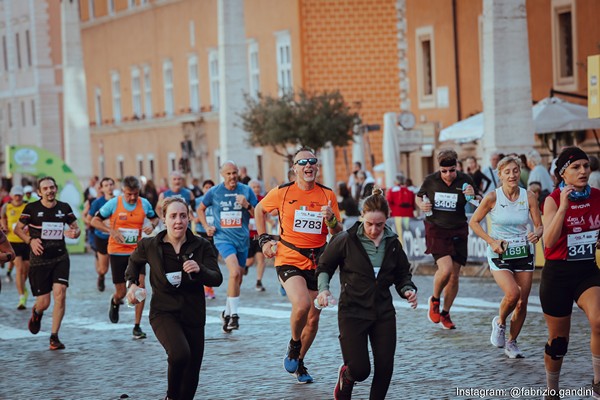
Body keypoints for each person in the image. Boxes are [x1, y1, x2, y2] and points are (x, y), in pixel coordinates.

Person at [316, 187, 418, 400]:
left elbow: (402, 274)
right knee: (361, 370)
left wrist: (407, 290)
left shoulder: (392, 244)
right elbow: (324, 266)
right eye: (369, 224)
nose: (373, 229)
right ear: (362, 217)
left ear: (387, 220)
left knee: (384, 366)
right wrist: (323, 290)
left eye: (379, 225)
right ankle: (347, 376)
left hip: (383, 312)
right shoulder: (346, 239)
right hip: (352, 311)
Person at [254, 147, 342, 384]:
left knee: (313, 319)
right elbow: (259, 209)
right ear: (294, 169)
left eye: (312, 162)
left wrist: (331, 219)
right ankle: (294, 344)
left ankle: (299, 361)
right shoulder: (283, 192)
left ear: (317, 167)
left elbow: (337, 231)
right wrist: (263, 240)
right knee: (302, 304)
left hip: (318, 260)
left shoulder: (327, 195)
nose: (308, 166)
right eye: (302, 162)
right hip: (289, 257)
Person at [125, 197, 222, 400]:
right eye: (173, 216)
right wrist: (132, 285)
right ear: (164, 219)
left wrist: (200, 269)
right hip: (164, 312)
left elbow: (217, 278)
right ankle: (170, 397)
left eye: (183, 216)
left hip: (193, 313)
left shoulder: (201, 245)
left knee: (192, 370)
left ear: (188, 219)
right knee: (180, 354)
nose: (178, 221)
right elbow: (133, 263)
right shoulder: (150, 245)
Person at [538, 147, 600, 400]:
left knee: (599, 321)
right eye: (576, 167)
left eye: (586, 166)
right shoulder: (552, 200)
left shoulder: (597, 196)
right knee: (558, 342)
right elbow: (549, 243)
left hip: (586, 271)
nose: (583, 171)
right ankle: (552, 392)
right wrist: (563, 207)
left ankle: (598, 382)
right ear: (563, 173)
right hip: (558, 275)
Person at [469, 155, 543, 359]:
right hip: (499, 251)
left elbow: (539, 225)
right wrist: (491, 241)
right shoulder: (493, 197)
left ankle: (512, 342)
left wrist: (536, 234)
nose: (512, 175)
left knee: (522, 302)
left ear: (520, 172)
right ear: (500, 175)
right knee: (512, 294)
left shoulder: (528, 197)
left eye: (515, 171)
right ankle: (500, 322)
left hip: (523, 252)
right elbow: (474, 222)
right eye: (507, 172)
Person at [14, 176, 80, 350]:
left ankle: (54, 337)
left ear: (56, 188)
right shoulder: (31, 209)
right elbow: (18, 229)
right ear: (39, 192)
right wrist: (30, 241)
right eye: (45, 188)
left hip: (60, 257)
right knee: (44, 303)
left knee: (61, 292)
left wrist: (76, 232)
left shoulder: (64, 208)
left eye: (52, 187)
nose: (50, 191)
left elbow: (76, 227)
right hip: (39, 260)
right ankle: (37, 313)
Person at [91, 176, 159, 339]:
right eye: (129, 194)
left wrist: (152, 225)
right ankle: (115, 301)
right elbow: (94, 221)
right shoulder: (114, 203)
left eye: (135, 194)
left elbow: (155, 217)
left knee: (140, 289)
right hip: (117, 251)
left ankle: (137, 326)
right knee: (121, 291)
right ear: (123, 192)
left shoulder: (144, 203)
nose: (133, 198)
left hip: (137, 251)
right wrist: (112, 231)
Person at [416, 148, 475, 330]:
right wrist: (422, 205)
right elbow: (418, 197)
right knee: (446, 269)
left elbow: (476, 201)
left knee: (454, 277)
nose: (448, 175)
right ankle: (434, 300)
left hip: (458, 228)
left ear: (456, 167)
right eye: (444, 171)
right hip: (436, 229)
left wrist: (473, 195)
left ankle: (445, 313)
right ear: (439, 169)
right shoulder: (430, 181)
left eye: (451, 170)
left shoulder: (465, 180)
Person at [197, 161, 258, 333]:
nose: (232, 177)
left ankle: (227, 312)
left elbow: (258, 213)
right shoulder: (214, 192)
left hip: (242, 240)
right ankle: (234, 316)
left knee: (238, 279)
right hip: (223, 239)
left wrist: (247, 205)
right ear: (222, 175)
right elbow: (200, 209)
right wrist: (207, 226)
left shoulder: (246, 190)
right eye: (228, 174)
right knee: (235, 272)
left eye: (234, 173)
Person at [1, 186, 30, 309]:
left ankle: (23, 287)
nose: (17, 197)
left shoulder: (28, 206)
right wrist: (4, 226)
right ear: (12, 196)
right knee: (19, 268)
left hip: (26, 240)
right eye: (15, 195)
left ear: (22, 195)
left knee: (26, 270)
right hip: (13, 241)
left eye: (19, 195)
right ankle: (21, 297)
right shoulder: (6, 206)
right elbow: (3, 218)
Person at [86, 177, 115, 292]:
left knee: (117, 266)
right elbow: (89, 219)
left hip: (116, 237)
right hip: (101, 237)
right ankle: (101, 276)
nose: (109, 187)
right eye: (106, 185)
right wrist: (101, 223)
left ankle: (119, 290)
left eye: (111, 184)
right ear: (102, 189)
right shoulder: (97, 202)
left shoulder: (119, 201)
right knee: (103, 269)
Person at [194, 179, 217, 299]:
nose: (208, 190)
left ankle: (208, 287)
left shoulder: (217, 200)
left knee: (212, 261)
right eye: (206, 187)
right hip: (202, 233)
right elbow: (190, 214)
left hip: (214, 233)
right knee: (202, 261)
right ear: (203, 189)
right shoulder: (198, 201)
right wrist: (196, 219)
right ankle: (207, 288)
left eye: (211, 187)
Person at [245, 179, 267, 292]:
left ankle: (259, 281)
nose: (256, 189)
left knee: (260, 258)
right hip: (249, 235)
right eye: (253, 187)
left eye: (257, 187)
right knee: (249, 260)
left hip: (259, 235)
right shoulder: (246, 200)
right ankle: (245, 267)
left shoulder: (263, 200)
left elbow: (266, 214)